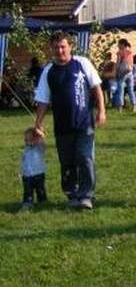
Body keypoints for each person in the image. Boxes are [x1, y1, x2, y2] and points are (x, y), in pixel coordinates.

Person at [33, 31, 106, 210]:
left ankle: (87, 195)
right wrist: (38, 123)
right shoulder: (48, 71)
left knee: (85, 157)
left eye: (63, 46)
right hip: (62, 126)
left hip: (84, 123)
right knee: (67, 162)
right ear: (51, 49)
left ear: (70, 46)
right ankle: (72, 194)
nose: (60, 50)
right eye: (56, 47)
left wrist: (101, 110)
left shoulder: (82, 63)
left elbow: (96, 87)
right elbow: (43, 99)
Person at [20, 127, 47, 211]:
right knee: (28, 191)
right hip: (27, 175)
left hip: (39, 174)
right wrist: (22, 171)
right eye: (26, 140)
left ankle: (42, 201)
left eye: (30, 139)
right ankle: (28, 202)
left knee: (40, 189)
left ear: (36, 139)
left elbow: (43, 145)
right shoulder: (26, 149)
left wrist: (41, 135)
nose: (28, 142)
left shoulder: (39, 148)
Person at [114, 38, 136, 113]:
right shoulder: (130, 51)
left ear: (122, 44)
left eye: (119, 44)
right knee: (131, 90)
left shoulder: (120, 52)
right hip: (130, 72)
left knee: (120, 90)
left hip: (122, 73)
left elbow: (118, 63)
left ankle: (120, 108)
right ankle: (134, 106)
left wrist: (116, 71)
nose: (118, 45)